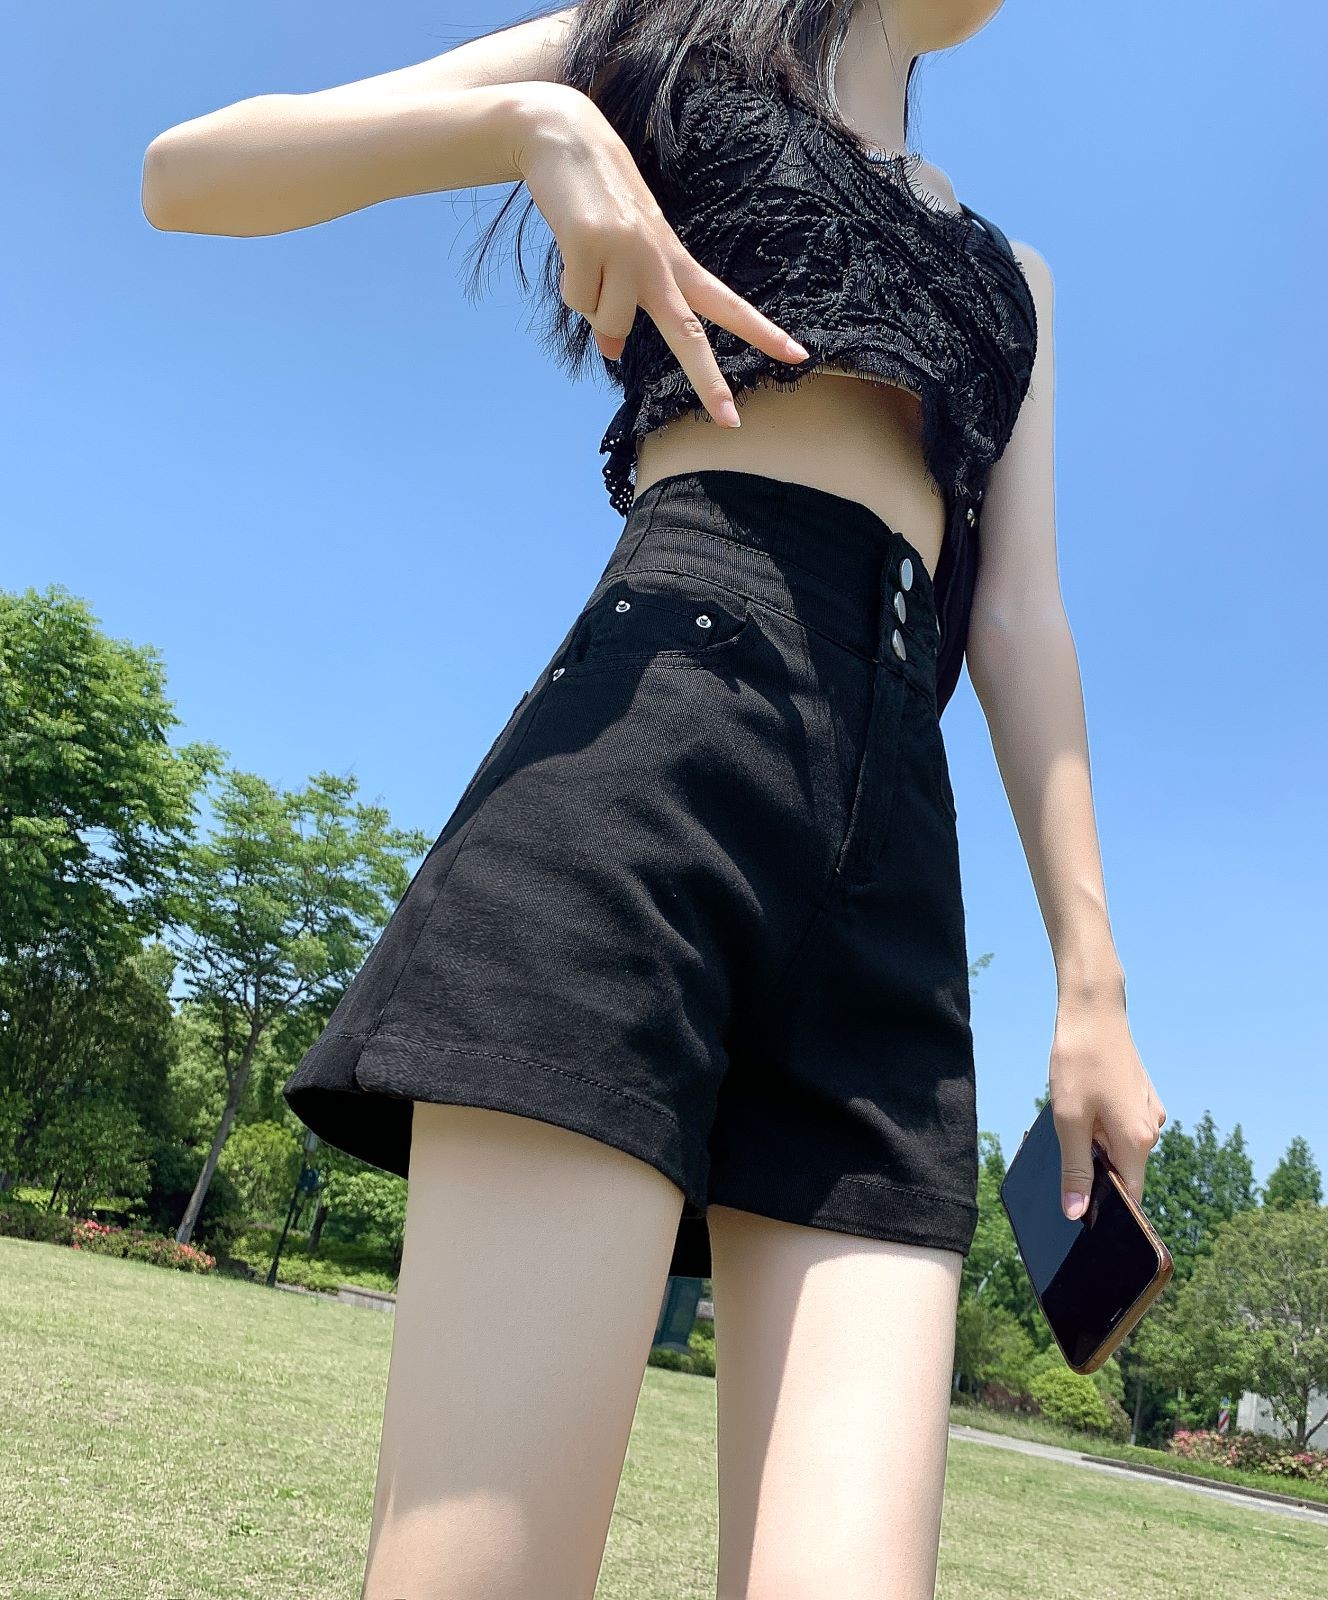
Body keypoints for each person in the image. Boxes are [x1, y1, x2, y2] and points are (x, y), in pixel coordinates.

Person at [142, 2, 1167, 1595]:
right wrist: (530, 123)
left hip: (894, 863)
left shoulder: (1012, 281)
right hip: (649, 758)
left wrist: (1092, 983)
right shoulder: (658, 36)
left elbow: (1022, 613)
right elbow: (190, 172)